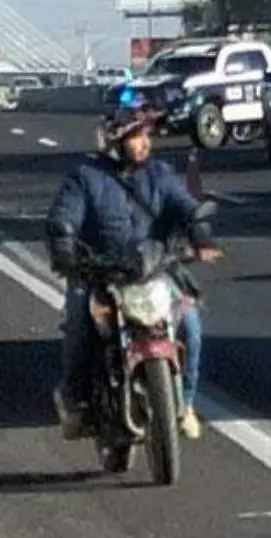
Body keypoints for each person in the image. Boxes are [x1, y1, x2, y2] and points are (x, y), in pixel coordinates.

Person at [46, 108, 222, 441]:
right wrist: (65, 245)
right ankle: (74, 399)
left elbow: (184, 206)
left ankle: (184, 405)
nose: (143, 143)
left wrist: (200, 234)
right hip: (100, 274)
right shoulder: (86, 177)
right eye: (134, 137)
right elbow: (63, 215)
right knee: (79, 324)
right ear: (114, 144)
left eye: (144, 136)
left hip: (155, 269)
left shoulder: (160, 174)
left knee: (191, 326)